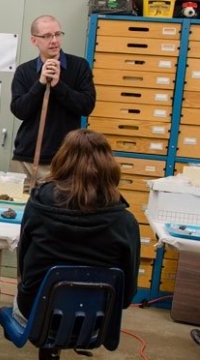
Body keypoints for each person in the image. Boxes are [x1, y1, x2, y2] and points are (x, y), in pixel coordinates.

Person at [15, 129, 140, 328]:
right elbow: (126, 296)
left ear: (62, 159)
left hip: (35, 312)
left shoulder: (37, 206)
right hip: (96, 320)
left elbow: (22, 267)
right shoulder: (126, 223)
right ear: (109, 166)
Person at [10, 15, 96, 183]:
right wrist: (40, 83)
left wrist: (58, 85)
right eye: (47, 36)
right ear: (34, 40)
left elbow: (86, 106)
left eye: (58, 34)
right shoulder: (24, 71)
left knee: (58, 207)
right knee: (18, 208)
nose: (54, 40)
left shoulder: (79, 67)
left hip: (64, 159)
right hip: (25, 159)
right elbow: (20, 110)